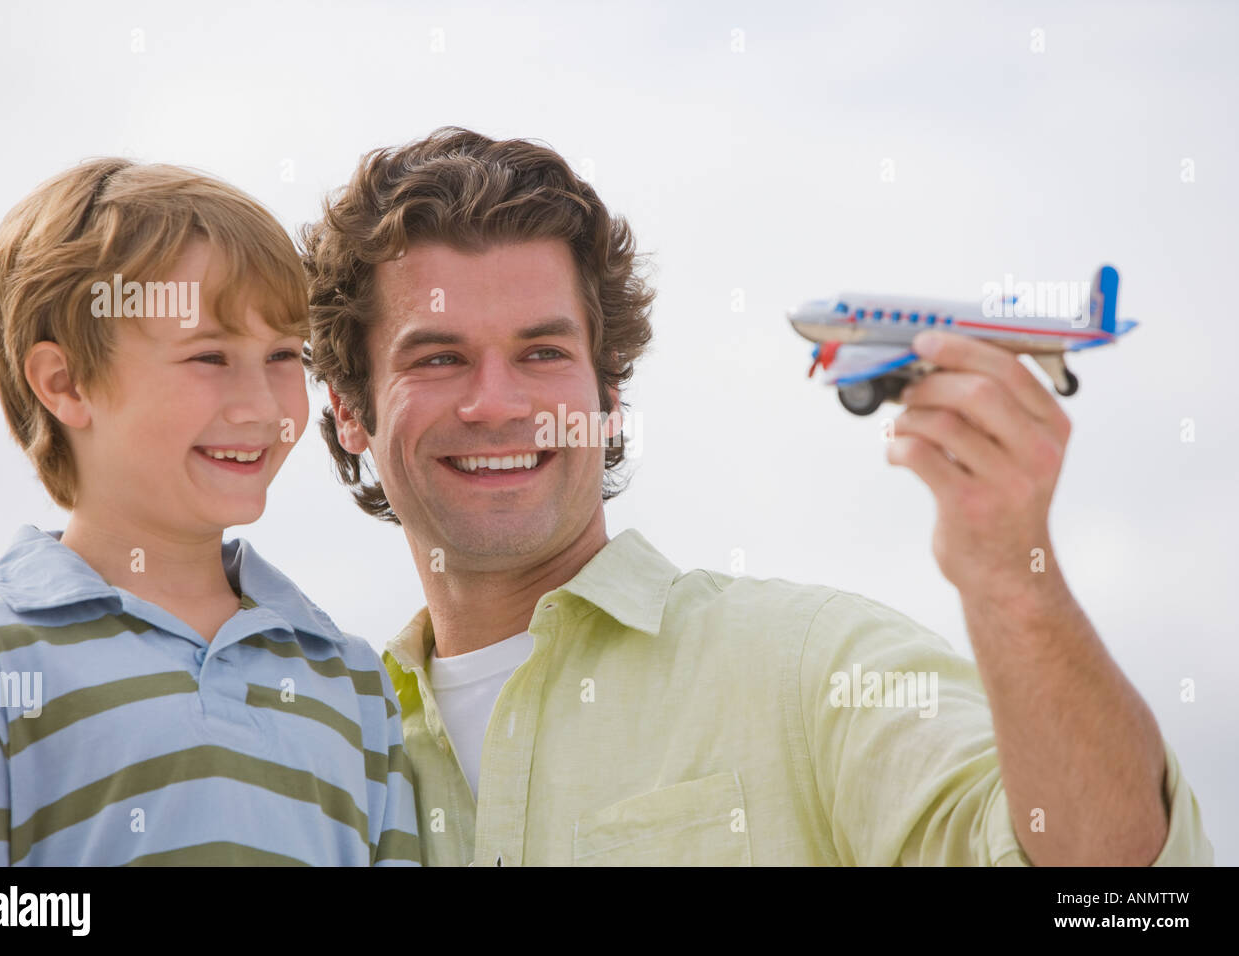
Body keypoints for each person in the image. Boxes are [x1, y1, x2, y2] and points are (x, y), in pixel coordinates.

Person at [301, 126, 1212, 866]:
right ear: (349, 411)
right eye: (438, 356)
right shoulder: (319, 752)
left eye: (544, 353)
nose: (497, 403)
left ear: (609, 399)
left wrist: (1014, 581)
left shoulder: (814, 668)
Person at [0, 159, 419, 866]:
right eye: (209, 357)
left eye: (285, 354)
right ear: (65, 382)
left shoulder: (352, 681)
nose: (260, 405)